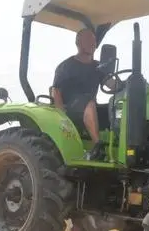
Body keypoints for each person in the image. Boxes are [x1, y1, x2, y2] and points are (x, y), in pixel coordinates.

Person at [51, 27, 120, 160]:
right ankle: (98, 147)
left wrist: (127, 85)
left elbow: (112, 85)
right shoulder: (66, 66)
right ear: (78, 43)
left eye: (94, 41)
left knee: (115, 108)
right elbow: (56, 90)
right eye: (88, 40)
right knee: (90, 102)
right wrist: (61, 116)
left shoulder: (98, 67)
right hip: (70, 108)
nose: (93, 44)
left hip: (90, 108)